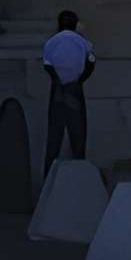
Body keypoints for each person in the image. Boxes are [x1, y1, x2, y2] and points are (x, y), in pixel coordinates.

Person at [42, 9, 96, 172]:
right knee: (78, 141)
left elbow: (47, 65)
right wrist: (78, 82)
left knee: (53, 141)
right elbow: (91, 63)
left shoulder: (52, 41)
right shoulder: (83, 42)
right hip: (74, 91)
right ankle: (79, 180)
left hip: (58, 91)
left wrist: (58, 82)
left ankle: (48, 183)